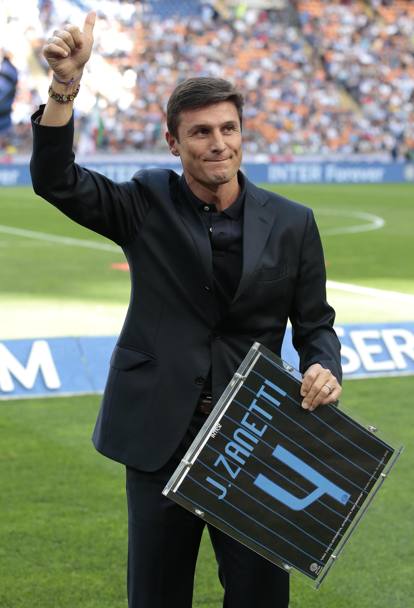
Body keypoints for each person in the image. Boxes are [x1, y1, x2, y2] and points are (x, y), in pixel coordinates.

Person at [30, 12, 342, 608]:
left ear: (242, 134)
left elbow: (315, 324)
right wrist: (65, 85)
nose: (218, 143)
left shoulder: (293, 222)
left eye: (228, 128)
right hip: (160, 432)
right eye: (200, 132)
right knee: (157, 594)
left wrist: (323, 365)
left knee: (260, 596)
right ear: (174, 143)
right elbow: (55, 179)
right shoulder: (145, 201)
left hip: (253, 433)